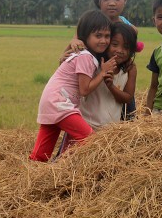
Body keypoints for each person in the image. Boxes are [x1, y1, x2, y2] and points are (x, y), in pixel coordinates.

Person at [29, 10, 117, 162]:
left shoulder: (82, 54)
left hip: (51, 101)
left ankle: (27, 176)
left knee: (40, 155)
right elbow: (84, 90)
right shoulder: (85, 57)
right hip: (60, 103)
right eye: (98, 36)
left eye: (107, 36)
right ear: (85, 37)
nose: (103, 40)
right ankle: (68, 168)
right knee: (90, 139)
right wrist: (102, 73)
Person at [64, 0, 140, 120]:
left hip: (117, 81)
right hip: (94, 81)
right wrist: (69, 48)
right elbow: (74, 44)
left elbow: (128, 56)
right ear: (98, 0)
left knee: (128, 118)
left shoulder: (130, 29)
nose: (112, 3)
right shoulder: (90, 23)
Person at [80, 22, 138, 128]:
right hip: (86, 125)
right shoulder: (93, 62)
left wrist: (111, 86)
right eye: (115, 44)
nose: (119, 50)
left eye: (126, 47)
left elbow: (128, 98)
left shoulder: (130, 68)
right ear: (107, 43)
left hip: (111, 130)